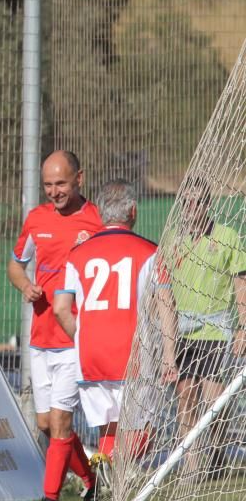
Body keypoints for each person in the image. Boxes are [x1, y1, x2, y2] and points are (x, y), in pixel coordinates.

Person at [53, 180, 177, 469]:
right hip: (133, 354)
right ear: (133, 211)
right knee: (142, 432)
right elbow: (166, 304)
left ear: (100, 214)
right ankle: (118, 476)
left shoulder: (77, 254)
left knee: (107, 429)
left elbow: (60, 309)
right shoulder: (151, 252)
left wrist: (82, 336)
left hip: (92, 356)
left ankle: (109, 491)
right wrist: (169, 354)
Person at [7, 150, 102, 501]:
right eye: (48, 185)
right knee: (48, 425)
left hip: (75, 338)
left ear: (79, 178)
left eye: (61, 183)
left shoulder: (95, 220)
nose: (54, 191)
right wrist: (26, 286)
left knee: (60, 424)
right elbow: (15, 265)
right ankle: (92, 483)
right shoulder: (36, 220)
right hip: (40, 338)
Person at [167, 179, 246, 474]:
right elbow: (163, 291)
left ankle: (218, 449)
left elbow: (240, 283)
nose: (191, 208)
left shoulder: (227, 236)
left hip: (216, 329)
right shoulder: (174, 240)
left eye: (197, 201)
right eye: (186, 201)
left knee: (214, 399)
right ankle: (191, 464)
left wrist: (243, 327)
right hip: (183, 331)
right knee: (186, 393)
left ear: (208, 204)